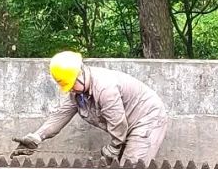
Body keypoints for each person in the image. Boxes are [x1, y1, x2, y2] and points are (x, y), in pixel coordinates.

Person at [12, 51, 169, 162]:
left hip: (148, 119)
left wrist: (114, 147)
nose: (71, 89)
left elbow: (118, 122)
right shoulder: (77, 92)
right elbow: (61, 115)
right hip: (127, 124)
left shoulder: (105, 88)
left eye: (72, 84)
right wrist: (38, 136)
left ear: (81, 73)